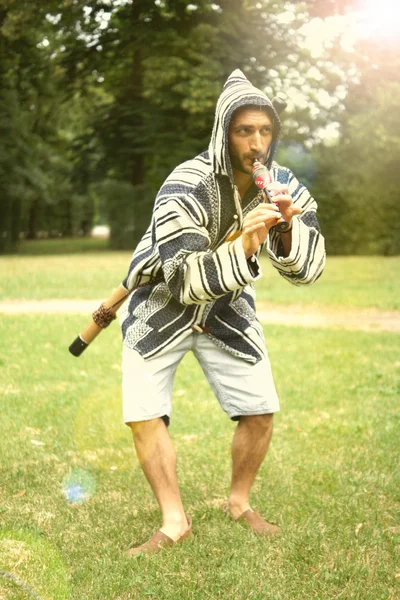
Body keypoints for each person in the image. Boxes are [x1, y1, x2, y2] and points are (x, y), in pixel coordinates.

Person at [120, 69, 326, 556]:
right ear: (223, 131)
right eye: (244, 130)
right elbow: (185, 279)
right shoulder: (184, 183)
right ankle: (174, 520)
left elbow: (309, 269)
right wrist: (246, 242)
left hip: (229, 303)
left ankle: (239, 502)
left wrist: (282, 232)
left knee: (260, 408)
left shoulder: (283, 184)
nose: (256, 142)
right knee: (144, 412)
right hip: (160, 299)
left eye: (265, 131)